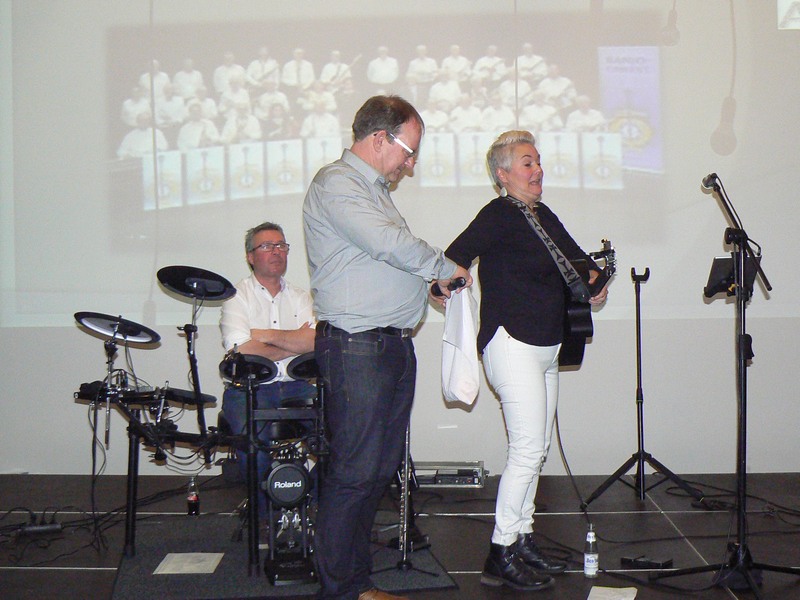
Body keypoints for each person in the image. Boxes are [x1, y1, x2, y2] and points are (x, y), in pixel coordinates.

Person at [303, 95, 472, 600]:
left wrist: (427, 288)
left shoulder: (371, 190)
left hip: (387, 347)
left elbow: (380, 264)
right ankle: (342, 590)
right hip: (358, 349)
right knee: (354, 472)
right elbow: (387, 244)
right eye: (408, 151)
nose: (410, 164)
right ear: (379, 139)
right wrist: (445, 267)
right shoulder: (337, 183)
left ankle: (356, 584)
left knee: (375, 472)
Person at [440, 130, 609, 592]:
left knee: (537, 449)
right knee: (528, 449)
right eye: (527, 163)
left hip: (549, 346)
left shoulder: (542, 215)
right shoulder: (498, 214)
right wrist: (445, 283)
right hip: (511, 342)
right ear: (503, 174)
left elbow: (580, 263)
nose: (538, 170)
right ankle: (500, 550)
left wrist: (596, 283)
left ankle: (522, 537)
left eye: (538, 161)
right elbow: (455, 258)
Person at [219, 221, 317, 512]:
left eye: (281, 245)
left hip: (297, 387)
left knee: (340, 440)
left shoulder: (301, 297)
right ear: (250, 256)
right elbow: (242, 350)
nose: (276, 251)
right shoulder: (236, 296)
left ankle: (308, 501)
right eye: (267, 246)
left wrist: (264, 335)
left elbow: (314, 342)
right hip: (248, 389)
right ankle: (264, 516)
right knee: (252, 447)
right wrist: (293, 341)